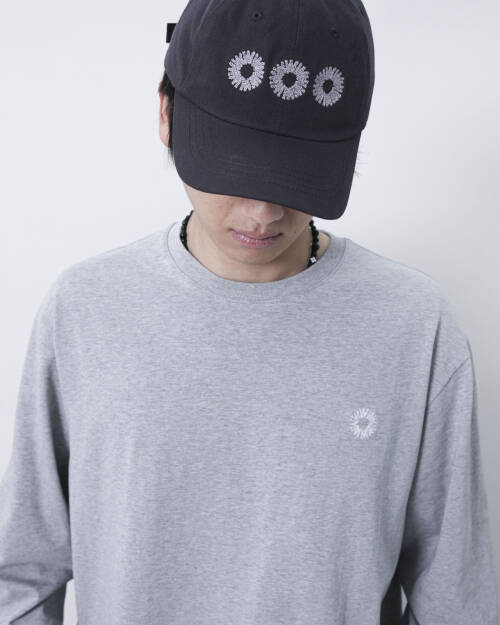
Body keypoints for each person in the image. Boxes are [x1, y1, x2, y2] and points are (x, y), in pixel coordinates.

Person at [1, 1, 499, 624]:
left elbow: (455, 596)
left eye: (297, 176)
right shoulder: (85, 312)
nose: (263, 214)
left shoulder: (414, 327)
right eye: (234, 167)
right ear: (166, 114)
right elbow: (23, 577)